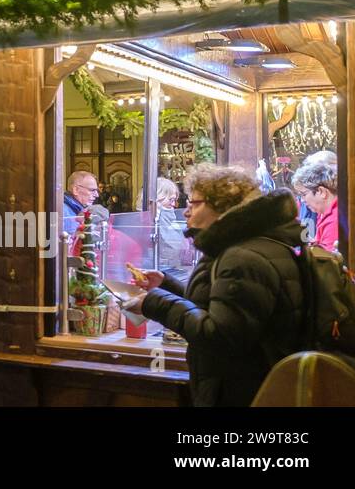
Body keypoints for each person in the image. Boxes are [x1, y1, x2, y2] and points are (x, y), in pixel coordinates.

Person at [128, 164, 307, 407]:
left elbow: (222, 336)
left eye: (194, 203)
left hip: (242, 393)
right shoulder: (246, 245)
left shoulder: (242, 257)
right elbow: (226, 308)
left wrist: (154, 302)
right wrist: (167, 286)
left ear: (221, 206)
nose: (186, 212)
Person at [292, 157, 340, 252]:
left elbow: (327, 262)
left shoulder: (335, 220)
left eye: (304, 194)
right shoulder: (323, 212)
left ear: (321, 192)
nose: (302, 200)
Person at [154, 177, 191, 272]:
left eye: (175, 200)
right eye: (171, 200)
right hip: (162, 269)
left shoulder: (169, 217)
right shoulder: (154, 220)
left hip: (172, 268)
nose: (174, 204)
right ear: (158, 199)